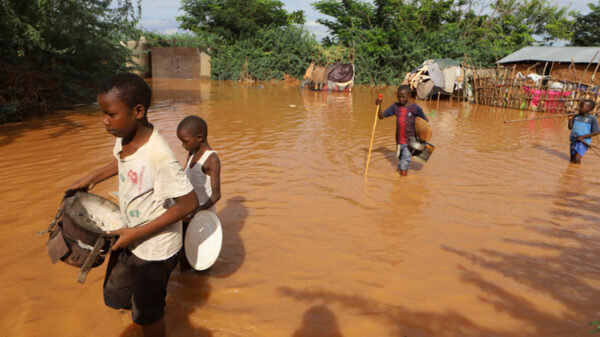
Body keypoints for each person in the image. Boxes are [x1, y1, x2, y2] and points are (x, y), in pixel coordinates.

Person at [69, 73, 198, 337]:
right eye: (102, 113)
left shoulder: (159, 156)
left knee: (147, 316)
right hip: (129, 232)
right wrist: (90, 178)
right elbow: (121, 160)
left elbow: (188, 203)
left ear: (138, 111)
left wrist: (136, 233)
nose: (105, 121)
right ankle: (142, 305)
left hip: (155, 248)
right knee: (116, 295)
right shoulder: (125, 135)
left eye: (111, 114)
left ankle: (149, 314)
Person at [176, 115, 222, 270]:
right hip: (188, 213)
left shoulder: (212, 160)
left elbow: (216, 195)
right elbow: (184, 177)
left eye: (185, 141)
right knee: (184, 255)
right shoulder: (192, 153)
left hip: (202, 216)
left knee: (202, 259)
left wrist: (198, 210)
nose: (183, 145)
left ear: (200, 137)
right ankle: (187, 288)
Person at [376, 85, 428, 176]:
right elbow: (381, 116)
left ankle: (402, 183)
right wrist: (379, 105)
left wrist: (422, 136)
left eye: (403, 97)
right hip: (399, 141)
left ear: (409, 95)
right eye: (399, 97)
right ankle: (404, 171)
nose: (400, 99)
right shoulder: (395, 107)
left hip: (410, 142)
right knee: (401, 159)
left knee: (404, 165)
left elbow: (425, 122)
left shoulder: (415, 108)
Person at [568, 99, 600, 164]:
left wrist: (583, 137)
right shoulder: (576, 116)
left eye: (581, 106)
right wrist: (570, 119)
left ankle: (576, 171)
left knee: (577, 158)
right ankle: (571, 172)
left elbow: (597, 131)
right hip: (574, 140)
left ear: (589, 109)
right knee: (572, 159)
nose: (579, 108)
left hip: (583, 142)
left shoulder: (592, 119)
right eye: (579, 106)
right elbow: (570, 127)